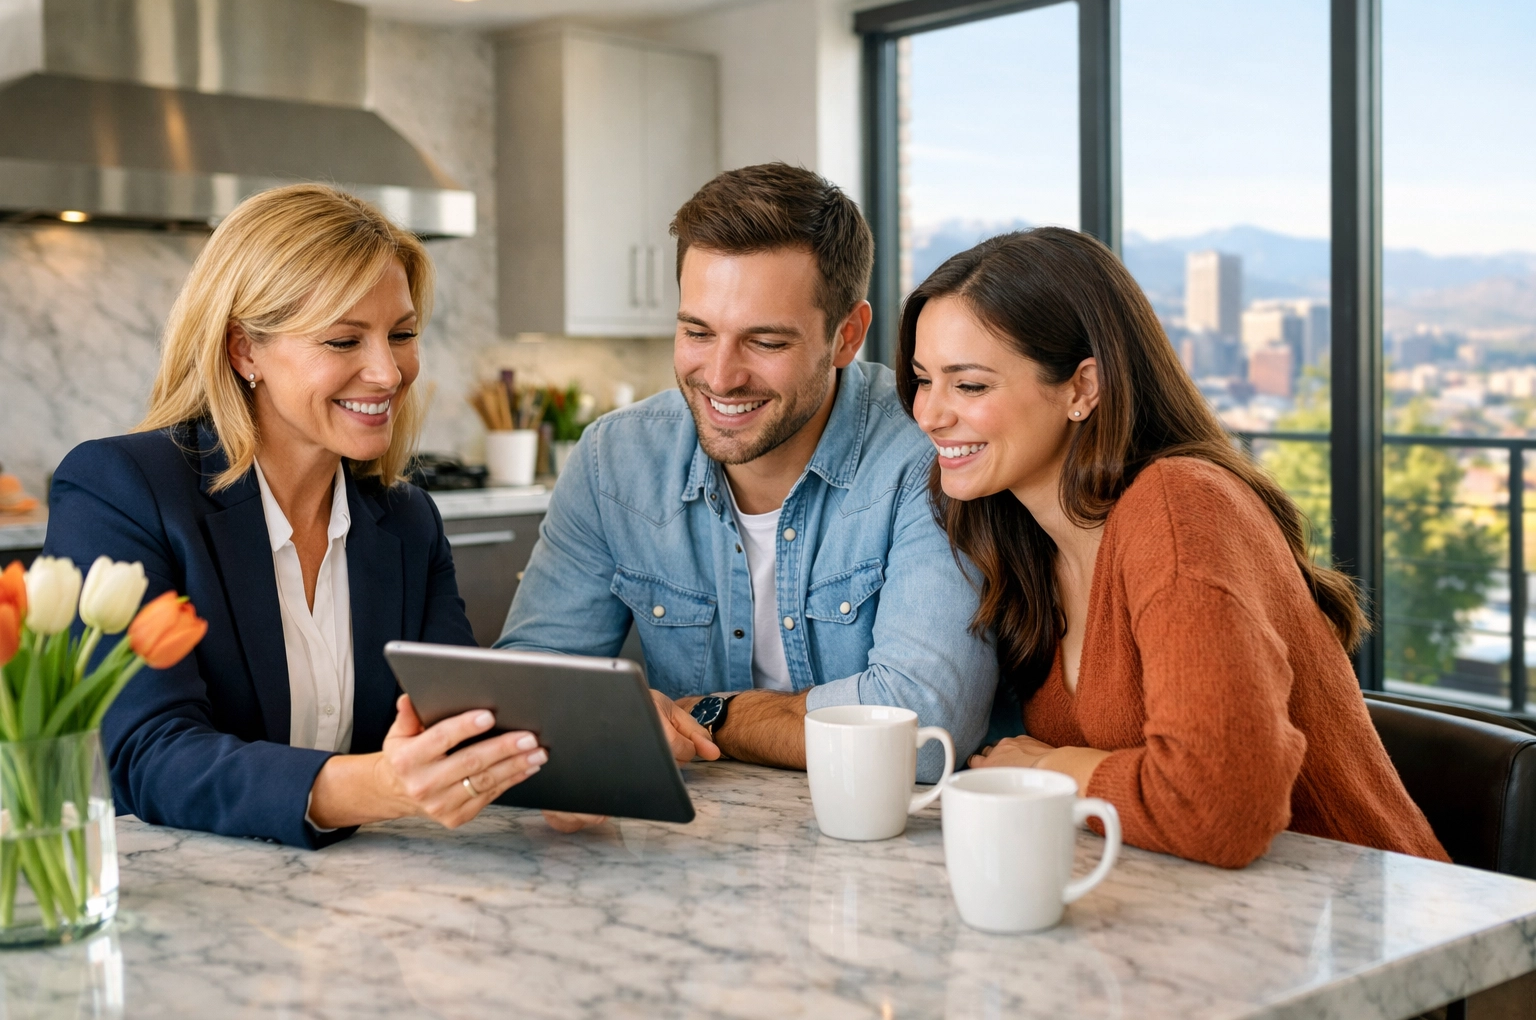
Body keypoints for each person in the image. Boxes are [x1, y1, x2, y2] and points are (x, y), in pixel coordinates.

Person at [901, 227, 1447, 869]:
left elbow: (1218, 809)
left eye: (968, 386)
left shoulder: (1180, 507)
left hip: (1370, 929)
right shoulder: (1028, 543)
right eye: (922, 380)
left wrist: (1052, 765)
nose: (930, 415)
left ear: (1083, 388)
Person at [43, 184, 547, 849]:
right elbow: (149, 756)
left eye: (401, 334)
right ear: (243, 350)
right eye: (343, 341)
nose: (388, 372)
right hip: (186, 903)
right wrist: (377, 786)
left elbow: (451, 728)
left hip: (363, 896)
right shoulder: (125, 489)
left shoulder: (408, 521)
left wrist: (572, 762)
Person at [497, 164, 997, 785]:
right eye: (697, 331)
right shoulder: (613, 460)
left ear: (846, 337)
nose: (722, 376)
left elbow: (923, 732)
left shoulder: (926, 452)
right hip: (698, 839)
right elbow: (526, 688)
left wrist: (709, 717)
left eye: (765, 342)